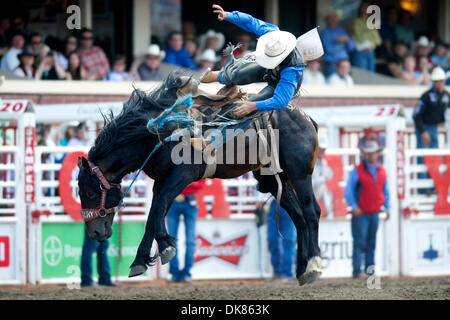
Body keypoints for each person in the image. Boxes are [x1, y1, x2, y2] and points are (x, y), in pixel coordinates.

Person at [201, 4, 306, 118]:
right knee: (238, 74)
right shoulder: (272, 34)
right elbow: (250, 21)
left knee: (240, 109)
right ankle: (219, 75)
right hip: (268, 69)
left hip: (277, 85)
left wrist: (253, 106)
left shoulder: (293, 69)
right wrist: (228, 15)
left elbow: (281, 100)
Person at [345, 140, 390, 278]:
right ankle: (357, 271)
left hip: (374, 212)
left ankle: (369, 271)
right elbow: (348, 191)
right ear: (364, 154)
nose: (370, 155)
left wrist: (387, 207)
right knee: (360, 242)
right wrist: (354, 206)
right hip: (361, 213)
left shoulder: (382, 170)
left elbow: (385, 191)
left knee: (371, 243)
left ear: (377, 153)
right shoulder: (357, 171)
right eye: (368, 153)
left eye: (373, 152)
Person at [167, 180, 206, 283]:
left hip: (188, 200)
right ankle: (176, 273)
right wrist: (189, 182)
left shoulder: (195, 163)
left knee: (190, 241)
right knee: (172, 240)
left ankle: (186, 273)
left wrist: (188, 183)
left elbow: (202, 182)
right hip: (175, 200)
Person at [413, 67, 449, 150]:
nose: (439, 83)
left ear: (444, 81)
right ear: (433, 82)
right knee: (423, 155)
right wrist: (423, 131)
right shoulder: (426, 96)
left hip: (435, 127)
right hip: (424, 127)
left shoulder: (446, 95)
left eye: (441, 80)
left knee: (434, 155)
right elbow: (416, 115)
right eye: (437, 81)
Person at [320, 9, 355, 78]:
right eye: (331, 18)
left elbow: (351, 48)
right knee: (332, 86)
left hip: (344, 64)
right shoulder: (325, 32)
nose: (333, 20)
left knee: (348, 85)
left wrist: (347, 40)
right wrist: (337, 41)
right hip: (332, 64)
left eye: (335, 17)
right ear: (327, 20)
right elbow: (328, 49)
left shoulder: (341, 31)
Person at [352, 1, 381, 72]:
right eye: (364, 7)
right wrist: (371, 31)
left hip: (371, 53)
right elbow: (360, 38)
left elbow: (379, 41)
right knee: (362, 76)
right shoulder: (357, 21)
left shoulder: (372, 22)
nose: (366, 9)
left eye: (368, 8)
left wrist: (365, 32)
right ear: (360, 9)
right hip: (361, 52)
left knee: (371, 78)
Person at [312, 133, 333, 217]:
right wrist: (323, 179)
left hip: (311, 202)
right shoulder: (309, 163)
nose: (322, 151)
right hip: (304, 203)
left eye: (323, 149)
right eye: (320, 149)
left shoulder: (323, 163)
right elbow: (308, 184)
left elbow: (323, 187)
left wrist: (326, 205)